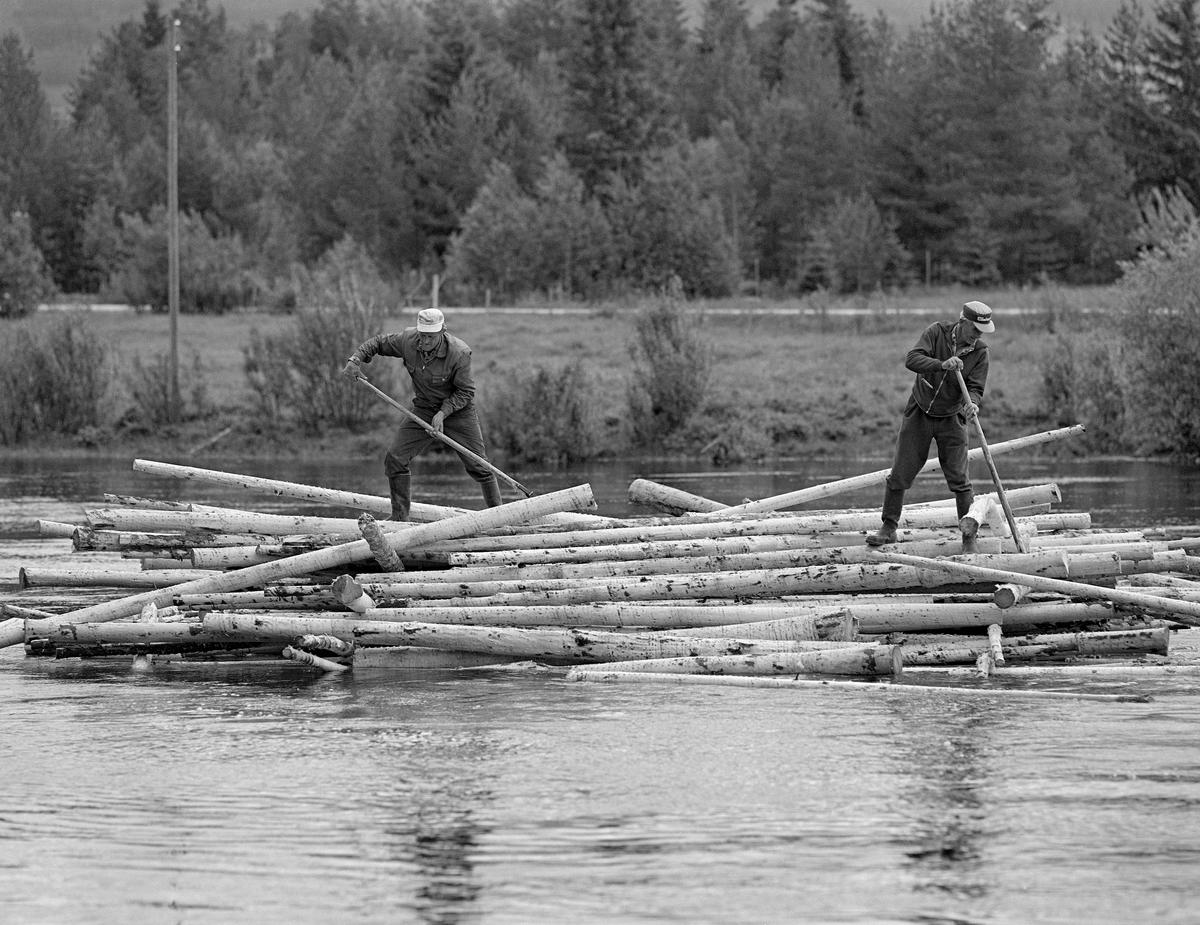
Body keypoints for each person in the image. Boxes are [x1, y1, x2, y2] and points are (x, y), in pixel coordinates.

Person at [341, 307, 502, 520]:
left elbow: (466, 392)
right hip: (424, 409)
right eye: (422, 335)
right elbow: (378, 343)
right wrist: (355, 360)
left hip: (458, 411)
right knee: (395, 459)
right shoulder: (408, 340)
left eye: (430, 337)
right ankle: (400, 518)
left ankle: (500, 516)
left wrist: (444, 412)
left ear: (442, 331)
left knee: (479, 466)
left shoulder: (460, 353)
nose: (424, 341)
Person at [866, 300, 994, 553]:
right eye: (976, 330)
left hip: (952, 417)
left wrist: (974, 404)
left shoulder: (980, 352)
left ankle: (969, 539)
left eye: (982, 332)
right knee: (901, 472)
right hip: (920, 412)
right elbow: (912, 359)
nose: (978, 336)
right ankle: (889, 527)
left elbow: (976, 388)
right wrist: (942, 364)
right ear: (963, 322)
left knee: (960, 480)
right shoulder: (937, 332)